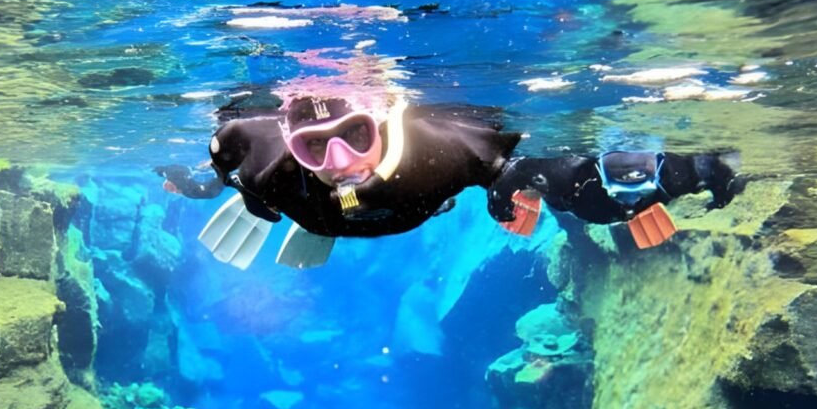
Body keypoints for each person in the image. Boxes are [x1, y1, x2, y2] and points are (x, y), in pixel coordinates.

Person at [167, 95, 742, 267]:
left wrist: (506, 195)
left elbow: (524, 164)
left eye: (356, 135)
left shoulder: (445, 145)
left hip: (425, 200)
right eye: (314, 145)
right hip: (309, 215)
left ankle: (678, 174)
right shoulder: (266, 165)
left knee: (589, 198)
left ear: (385, 119)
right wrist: (195, 184)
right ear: (290, 144)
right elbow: (218, 172)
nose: (340, 160)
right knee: (254, 197)